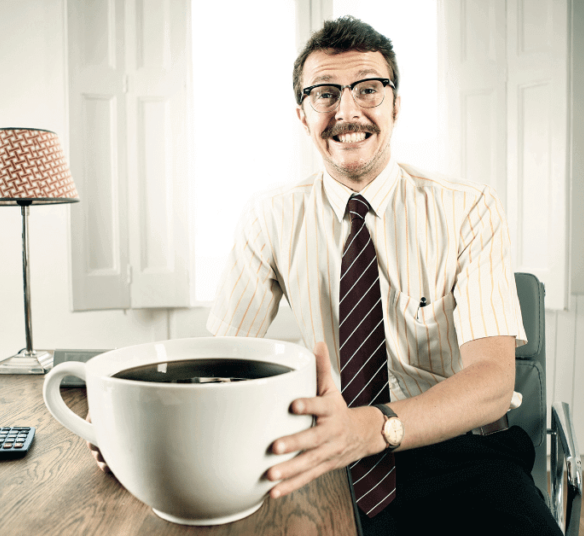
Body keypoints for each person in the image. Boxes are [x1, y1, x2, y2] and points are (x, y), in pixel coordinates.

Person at [203, 16, 562, 536]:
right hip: (332, 456)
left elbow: (491, 384)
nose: (347, 112)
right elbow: (223, 361)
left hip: (460, 453)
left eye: (368, 90)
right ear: (302, 116)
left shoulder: (469, 209)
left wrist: (373, 428)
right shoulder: (269, 217)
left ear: (396, 104)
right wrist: (154, 429)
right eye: (324, 93)